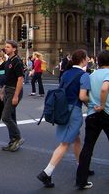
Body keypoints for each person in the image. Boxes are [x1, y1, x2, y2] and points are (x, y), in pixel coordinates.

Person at [37, 49, 90, 188]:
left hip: (63, 110)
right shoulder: (84, 75)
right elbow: (83, 96)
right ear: (83, 59)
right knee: (65, 144)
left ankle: (81, 167)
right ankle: (47, 172)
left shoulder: (66, 73)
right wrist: (92, 104)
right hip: (74, 112)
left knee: (76, 139)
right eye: (87, 58)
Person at [76, 50, 109, 189]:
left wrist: (92, 105)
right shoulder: (108, 74)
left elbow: (83, 95)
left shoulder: (91, 74)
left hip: (91, 114)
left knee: (88, 147)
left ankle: (81, 180)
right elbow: (104, 89)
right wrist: (101, 105)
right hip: (106, 112)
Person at [0, 40, 24, 152]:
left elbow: (20, 78)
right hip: (8, 90)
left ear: (14, 49)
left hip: (14, 91)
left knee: (5, 116)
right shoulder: (9, 60)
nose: (6, 48)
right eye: (5, 47)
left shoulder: (17, 61)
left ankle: (18, 137)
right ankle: (12, 141)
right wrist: (2, 91)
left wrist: (16, 96)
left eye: (8, 47)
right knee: (11, 117)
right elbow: (7, 77)